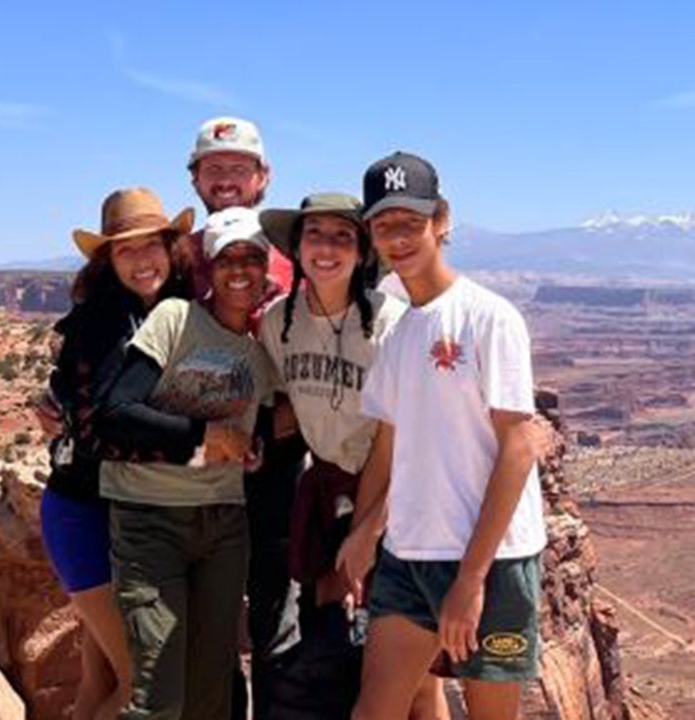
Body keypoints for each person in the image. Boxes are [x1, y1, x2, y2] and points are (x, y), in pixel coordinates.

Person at [337, 152, 549, 720]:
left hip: (492, 560)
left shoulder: (490, 318)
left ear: (442, 220)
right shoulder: (399, 333)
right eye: (384, 225)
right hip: (410, 553)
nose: (398, 238)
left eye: (411, 222)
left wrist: (471, 580)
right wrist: (362, 536)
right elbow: (387, 446)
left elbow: (519, 446)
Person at [256, 193, 448, 720]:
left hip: (398, 503)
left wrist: (368, 530)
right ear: (296, 248)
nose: (327, 248)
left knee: (415, 677)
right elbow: (281, 404)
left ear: (363, 251)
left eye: (343, 236)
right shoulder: (278, 323)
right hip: (327, 495)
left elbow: (417, 440)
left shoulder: (393, 324)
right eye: (314, 234)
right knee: (339, 648)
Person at [97, 207, 280, 720]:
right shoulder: (175, 319)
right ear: (208, 269)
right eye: (227, 259)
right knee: (158, 697)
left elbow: (265, 428)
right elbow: (118, 412)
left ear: (266, 269)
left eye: (252, 258)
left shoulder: (260, 357)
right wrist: (205, 436)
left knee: (210, 693)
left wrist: (253, 448)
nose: (239, 270)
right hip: (149, 521)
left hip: (224, 525)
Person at [41, 187, 196, 720]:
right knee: (140, 683)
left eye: (151, 245)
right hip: (85, 514)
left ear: (170, 250)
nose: (141, 260)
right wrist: (200, 439)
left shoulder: (169, 311)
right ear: (109, 260)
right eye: (126, 250)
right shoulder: (103, 323)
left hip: (119, 516)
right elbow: (101, 426)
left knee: (100, 681)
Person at [186, 116, 304, 719]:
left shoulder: (296, 255)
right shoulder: (177, 257)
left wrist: (277, 425)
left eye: (239, 168)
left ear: (264, 177)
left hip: (277, 465)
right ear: (195, 178)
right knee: (209, 623)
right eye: (214, 168)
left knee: (277, 617)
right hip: (198, 469)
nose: (226, 179)